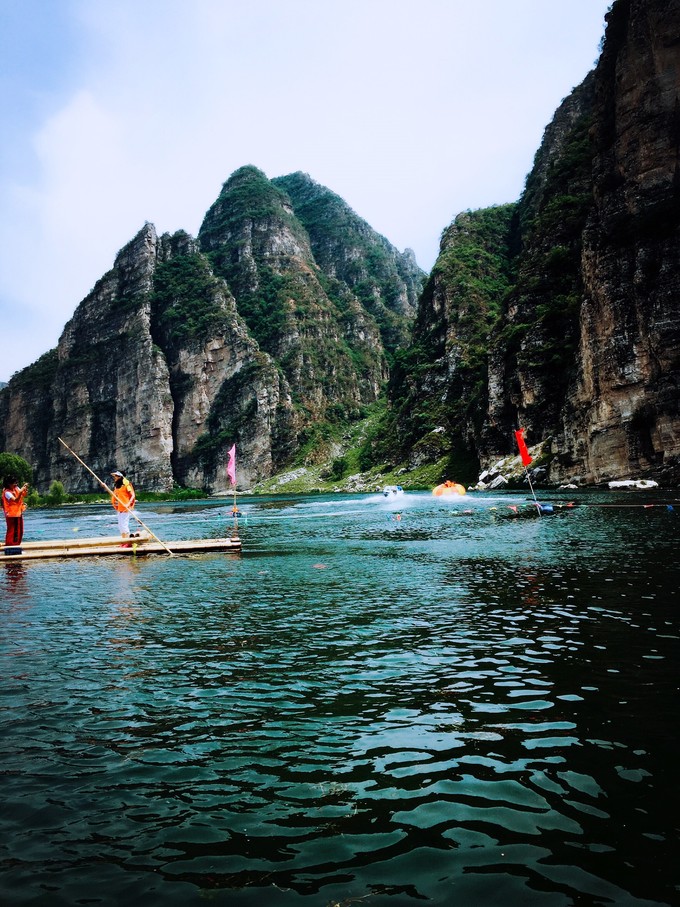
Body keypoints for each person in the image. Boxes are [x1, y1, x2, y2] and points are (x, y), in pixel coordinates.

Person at [110, 470, 136, 542]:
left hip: (126, 507)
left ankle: (127, 541)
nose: (114, 477)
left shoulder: (126, 485)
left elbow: (133, 495)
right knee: (120, 526)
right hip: (120, 508)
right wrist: (104, 486)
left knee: (124, 525)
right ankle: (124, 540)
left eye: (116, 476)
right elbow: (114, 495)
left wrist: (128, 504)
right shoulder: (117, 486)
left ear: (120, 477)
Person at [2, 475, 29, 547]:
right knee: (12, 532)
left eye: (16, 483)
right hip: (11, 515)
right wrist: (21, 490)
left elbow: (24, 495)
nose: (16, 484)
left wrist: (25, 489)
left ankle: (16, 545)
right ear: (9, 484)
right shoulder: (6, 492)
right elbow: (16, 500)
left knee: (20, 531)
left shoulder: (16, 488)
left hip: (18, 513)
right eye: (14, 483)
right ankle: (10, 545)